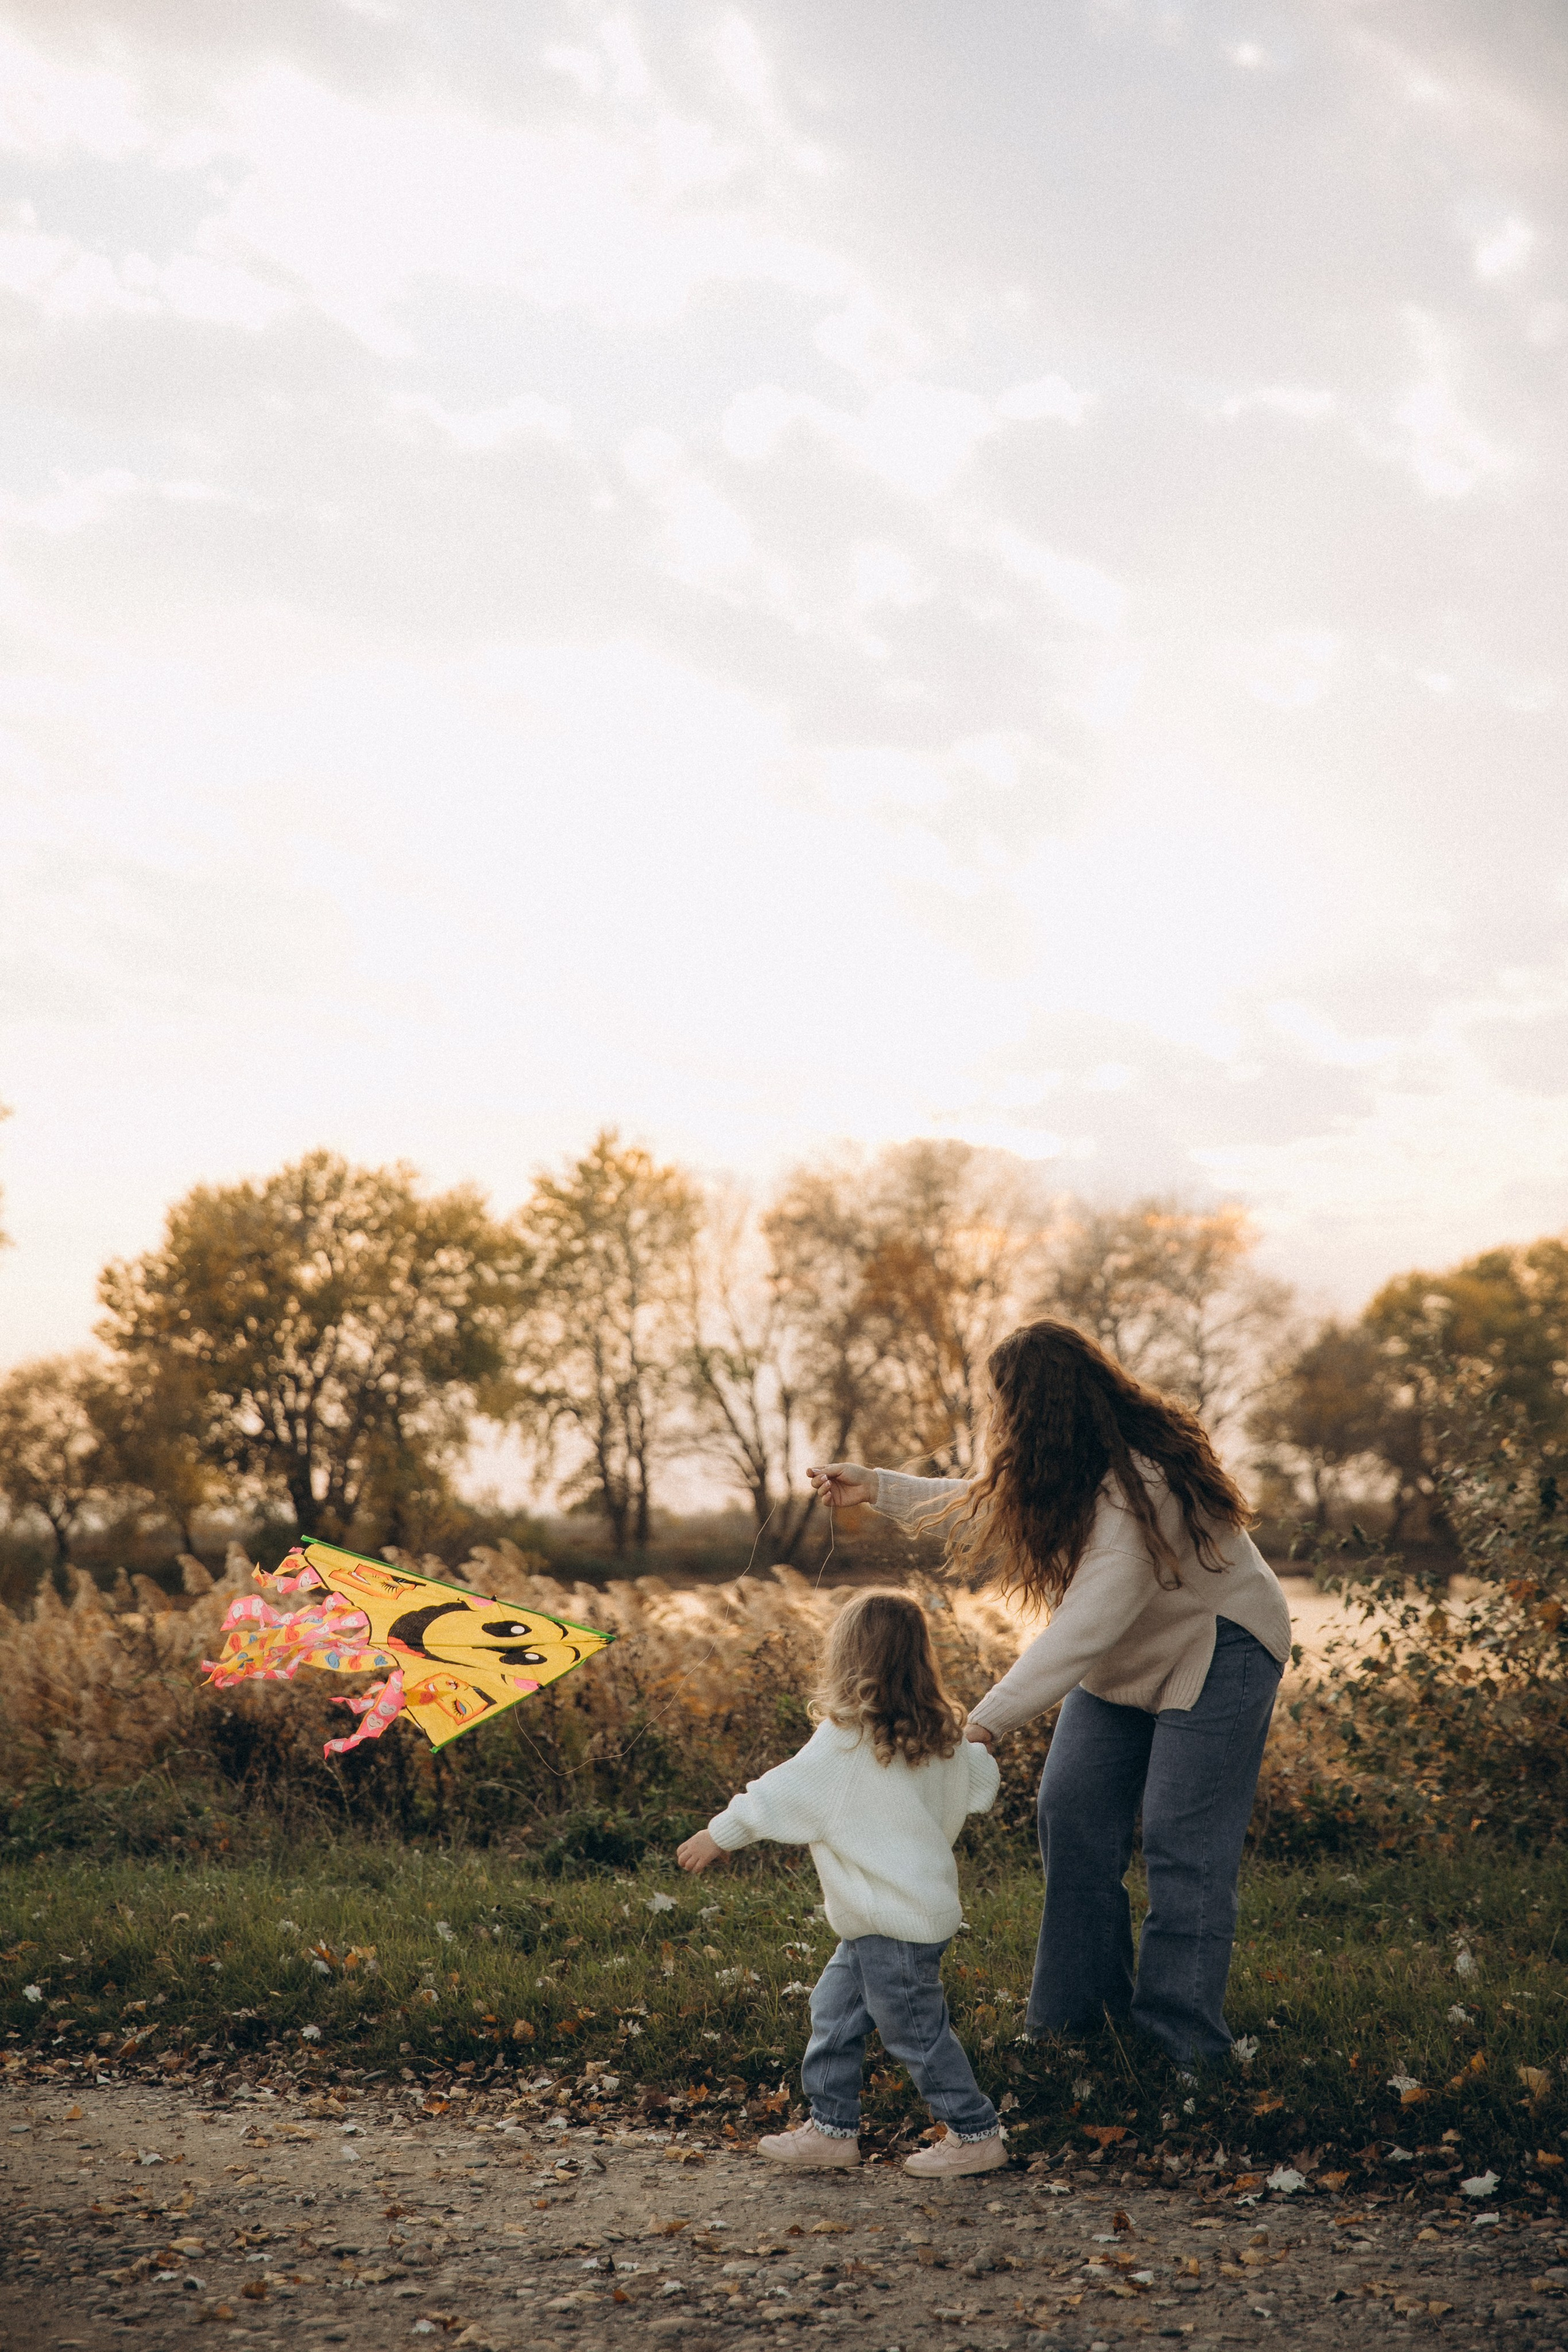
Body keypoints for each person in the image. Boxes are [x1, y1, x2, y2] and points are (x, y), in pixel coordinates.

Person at [807, 1319, 1292, 2072]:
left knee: (1180, 1843)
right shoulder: (1064, 1470)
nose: (997, 1421)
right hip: (1125, 1659)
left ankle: (1183, 2049)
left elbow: (1085, 1626)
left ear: (1040, 1407)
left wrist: (984, 1723)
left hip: (1217, 1648)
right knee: (1070, 1815)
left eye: (1003, 1405)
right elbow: (982, 1504)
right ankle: (1075, 2023)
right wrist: (876, 1486)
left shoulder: (1145, 1485)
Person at [676, 1586, 1006, 2175]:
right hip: (889, 1918)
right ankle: (831, 2131)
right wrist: (982, 1744)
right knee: (835, 2011)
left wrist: (717, 1835)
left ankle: (975, 2132)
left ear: (847, 1660)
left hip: (892, 1920)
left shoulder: (846, 1741)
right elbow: (981, 1786)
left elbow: (779, 1793)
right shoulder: (939, 1737)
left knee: (916, 2034)